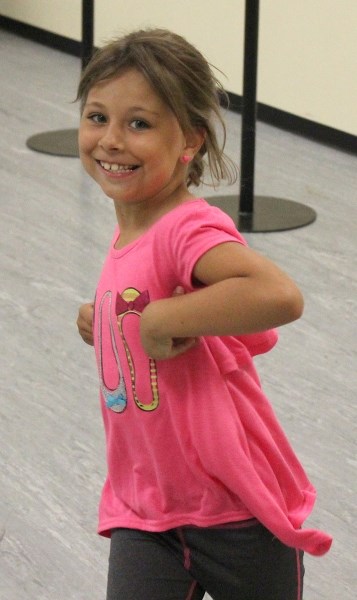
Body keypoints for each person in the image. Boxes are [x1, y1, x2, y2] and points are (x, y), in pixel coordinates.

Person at [76, 28, 332, 600]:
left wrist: (164, 321)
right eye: (97, 117)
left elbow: (277, 294)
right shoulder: (133, 223)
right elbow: (145, 300)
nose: (111, 140)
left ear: (189, 141)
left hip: (233, 512)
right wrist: (107, 322)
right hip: (146, 507)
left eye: (139, 124)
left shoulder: (186, 227)